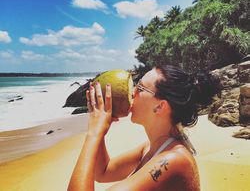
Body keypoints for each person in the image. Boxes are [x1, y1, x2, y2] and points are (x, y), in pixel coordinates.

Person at [68, 65, 219, 191]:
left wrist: (93, 134)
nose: (132, 92)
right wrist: (100, 132)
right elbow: (103, 172)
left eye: (140, 89)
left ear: (160, 106)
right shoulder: (151, 148)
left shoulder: (173, 160)